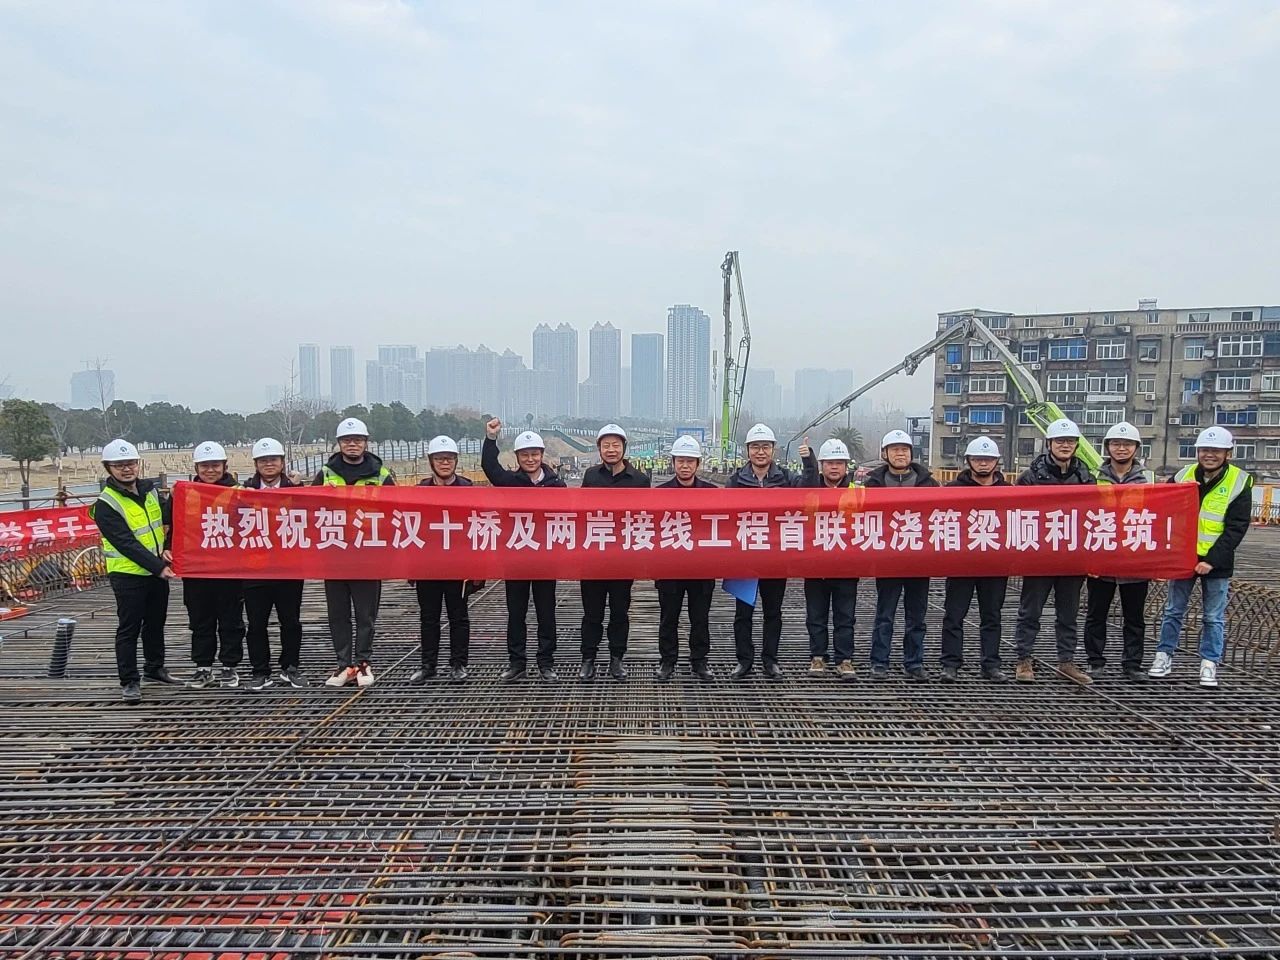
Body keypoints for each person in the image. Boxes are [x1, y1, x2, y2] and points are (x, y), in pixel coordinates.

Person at [1149, 426, 1252, 687]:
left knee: (1212, 617)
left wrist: (1211, 560)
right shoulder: (1182, 476)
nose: (1210, 455)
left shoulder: (1239, 481)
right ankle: (1164, 655)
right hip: (1182, 558)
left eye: (1216, 451)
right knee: (1173, 611)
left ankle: (1209, 662)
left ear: (1228, 453)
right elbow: (1162, 510)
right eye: (1205, 450)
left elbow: (1236, 528)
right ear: (1197, 452)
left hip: (1216, 562)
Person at [90, 439, 180, 703]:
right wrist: (159, 567)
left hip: (155, 573)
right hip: (128, 575)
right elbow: (125, 543)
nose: (126, 469)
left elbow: (165, 521)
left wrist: (167, 548)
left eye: (130, 463)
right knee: (129, 628)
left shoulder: (149, 490)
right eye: (119, 465)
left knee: (156, 623)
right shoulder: (106, 504)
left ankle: (155, 667)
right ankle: (129, 681)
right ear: (109, 468)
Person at [482, 418, 566, 682]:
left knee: (546, 613)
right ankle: (517, 663)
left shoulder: (556, 485)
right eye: (525, 455)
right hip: (516, 558)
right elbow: (489, 466)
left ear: (542, 455)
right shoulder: (509, 481)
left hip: (545, 560)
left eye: (534, 454)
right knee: (516, 614)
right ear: (517, 457)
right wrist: (491, 439)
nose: (530, 459)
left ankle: (546, 663)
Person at [1012, 418, 1095, 685]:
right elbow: (1016, 513)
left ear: (1077, 445)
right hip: (1039, 556)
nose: (1065, 445)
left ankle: (1066, 662)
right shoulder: (1030, 477)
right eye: (1060, 441)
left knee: (1068, 613)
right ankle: (1024, 659)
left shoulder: (1086, 477)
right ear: (1049, 444)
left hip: (1071, 557)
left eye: (1070, 441)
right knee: (1030, 611)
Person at [313, 417, 394, 688]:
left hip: (367, 556)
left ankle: (362, 663)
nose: (352, 444)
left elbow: (396, 511)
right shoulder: (325, 474)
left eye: (357, 440)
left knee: (365, 614)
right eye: (347, 440)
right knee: (338, 614)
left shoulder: (381, 475)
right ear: (339, 443)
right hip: (334, 555)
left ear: (366, 443)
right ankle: (343, 664)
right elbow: (309, 510)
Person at [865, 429, 940, 681]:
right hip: (887, 560)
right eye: (895, 450)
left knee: (917, 616)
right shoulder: (873, 484)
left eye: (905, 449)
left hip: (919, 560)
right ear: (885, 453)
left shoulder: (928, 483)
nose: (900, 454)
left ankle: (914, 662)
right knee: (884, 614)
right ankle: (879, 662)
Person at [726, 422, 798, 681]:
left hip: (774, 557)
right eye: (755, 447)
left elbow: (811, 492)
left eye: (765, 447)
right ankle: (744, 661)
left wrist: (809, 462)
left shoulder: (787, 479)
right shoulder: (736, 481)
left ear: (773, 450)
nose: (760, 452)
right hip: (744, 557)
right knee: (743, 614)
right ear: (747, 450)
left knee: (773, 612)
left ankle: (770, 661)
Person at [579, 423, 651, 682]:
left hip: (623, 559)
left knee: (619, 612)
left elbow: (646, 517)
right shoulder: (590, 476)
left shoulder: (640, 480)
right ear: (599, 449)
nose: (611, 450)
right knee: (592, 613)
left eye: (616, 445)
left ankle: (616, 658)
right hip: (594, 558)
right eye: (606, 445)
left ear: (624, 448)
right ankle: (588, 659)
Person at [1084, 421, 1153, 683]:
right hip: (1101, 557)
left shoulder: (1149, 479)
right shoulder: (1094, 478)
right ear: (1107, 447)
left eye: (1127, 444)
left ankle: (1133, 665)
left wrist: (1156, 562)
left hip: (1135, 558)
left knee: (1134, 617)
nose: (1121, 449)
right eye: (1116, 444)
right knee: (1096, 614)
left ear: (1136, 448)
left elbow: (1160, 519)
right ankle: (1095, 661)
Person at [939, 435, 1010, 683]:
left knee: (992, 616)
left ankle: (991, 665)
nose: (983, 463)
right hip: (961, 564)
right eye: (978, 459)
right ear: (968, 460)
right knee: (954, 615)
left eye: (988, 459)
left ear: (996, 462)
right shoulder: (952, 491)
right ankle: (950, 664)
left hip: (995, 564)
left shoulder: (1010, 492)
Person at [242, 437, 306, 691]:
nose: (269, 464)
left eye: (273, 460)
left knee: (291, 622)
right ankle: (260, 671)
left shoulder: (296, 490)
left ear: (282, 462)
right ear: (256, 464)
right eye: (263, 460)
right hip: (254, 569)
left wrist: (300, 487)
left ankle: (290, 667)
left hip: (289, 568)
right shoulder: (244, 492)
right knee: (256, 624)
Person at [184, 441, 246, 689]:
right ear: (196, 468)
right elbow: (173, 527)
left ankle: (229, 666)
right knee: (200, 620)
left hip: (229, 569)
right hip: (196, 570)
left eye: (215, 465)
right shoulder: (185, 493)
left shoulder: (239, 493)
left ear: (224, 466)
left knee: (230, 620)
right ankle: (203, 667)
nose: (210, 470)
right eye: (205, 466)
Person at [654, 435, 716, 682]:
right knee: (669, 617)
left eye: (690, 461)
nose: (685, 466)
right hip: (670, 567)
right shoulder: (659, 494)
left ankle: (699, 661)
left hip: (702, 567)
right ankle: (667, 661)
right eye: (680, 460)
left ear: (698, 464)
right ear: (673, 462)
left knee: (700, 618)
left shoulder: (712, 494)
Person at [411, 435, 472, 684]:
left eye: (449, 459)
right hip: (428, 566)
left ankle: (458, 664)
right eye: (439, 459)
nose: (445, 463)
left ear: (456, 461)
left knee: (459, 617)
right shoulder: (420, 492)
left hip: (459, 566)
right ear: (431, 461)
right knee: (429, 618)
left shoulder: (468, 490)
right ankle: (428, 665)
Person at [798, 435, 859, 681]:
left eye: (839, 463)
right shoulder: (810, 489)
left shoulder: (858, 491)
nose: (834, 467)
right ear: (822, 465)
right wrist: (808, 463)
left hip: (847, 564)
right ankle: (818, 656)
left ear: (846, 466)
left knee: (845, 616)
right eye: (829, 463)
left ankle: (844, 660)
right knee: (816, 615)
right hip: (816, 564)